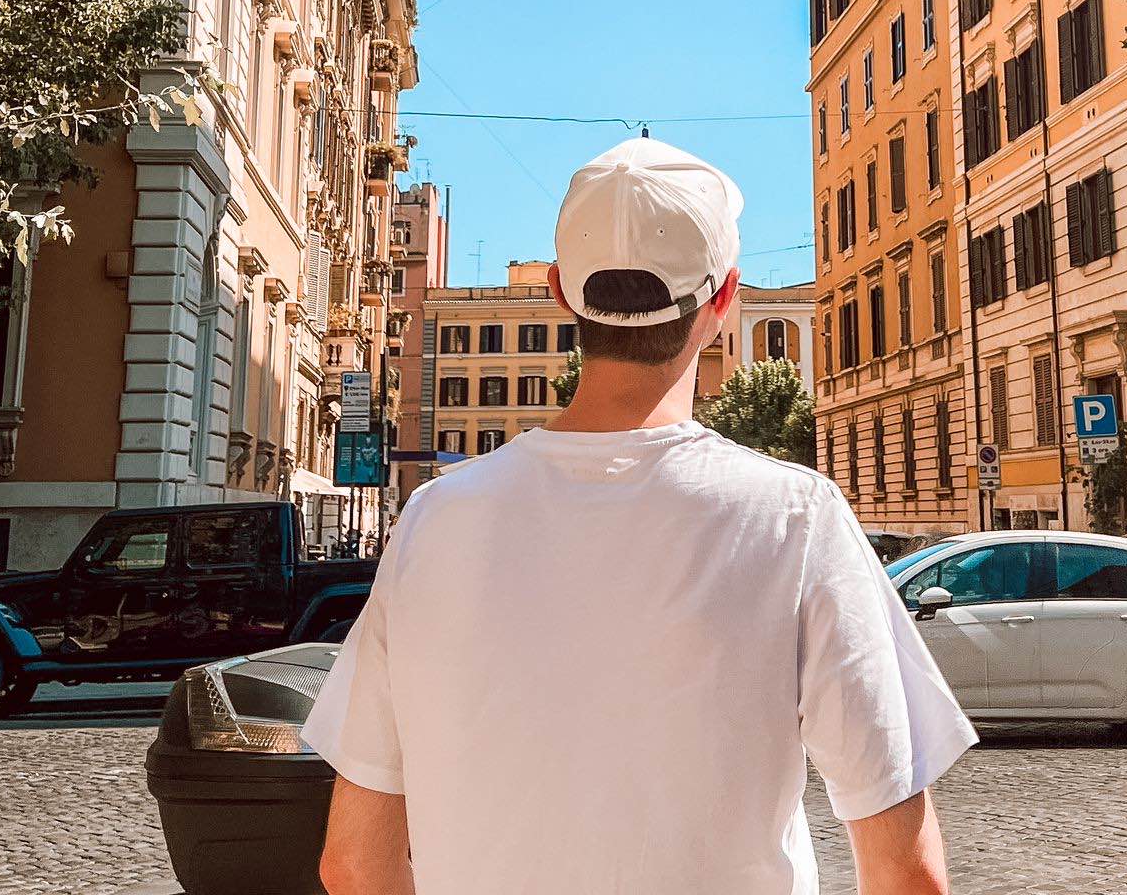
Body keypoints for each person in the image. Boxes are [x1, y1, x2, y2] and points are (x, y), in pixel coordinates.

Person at [305, 135, 975, 895]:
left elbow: (354, 865)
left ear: (561, 292)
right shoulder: (797, 519)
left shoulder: (430, 521)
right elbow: (907, 874)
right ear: (724, 299)